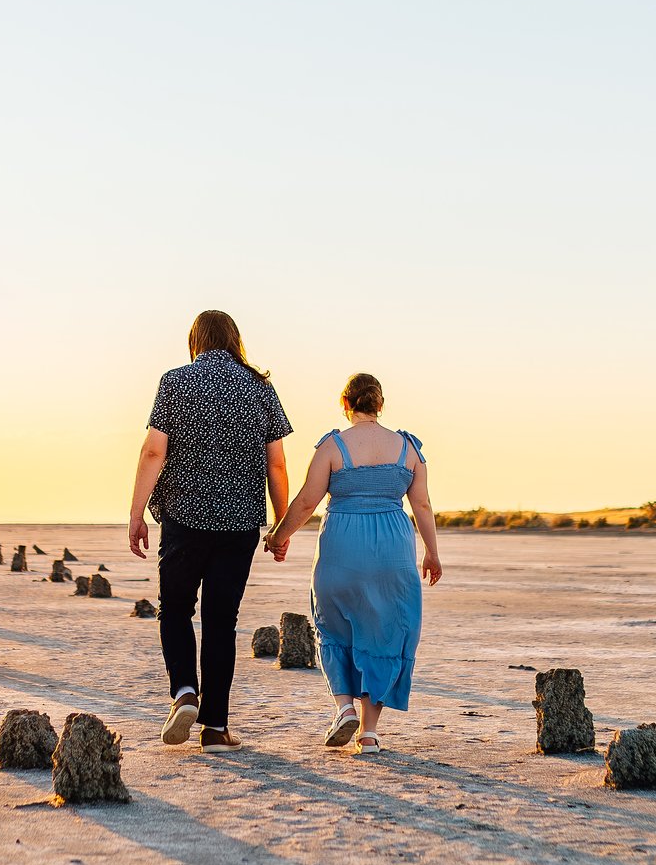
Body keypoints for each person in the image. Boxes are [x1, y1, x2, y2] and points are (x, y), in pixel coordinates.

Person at [128, 310, 293, 749]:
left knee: (176, 609)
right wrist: (281, 525)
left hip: (183, 519)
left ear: (195, 340)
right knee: (222, 622)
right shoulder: (259, 387)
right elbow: (276, 462)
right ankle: (215, 728)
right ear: (235, 340)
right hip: (239, 522)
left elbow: (152, 453)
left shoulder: (175, 381)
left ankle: (184, 691)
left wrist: (136, 514)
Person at [263, 372, 440, 754]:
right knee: (384, 634)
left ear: (346, 404)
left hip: (342, 548)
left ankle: (344, 707)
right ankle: (370, 733)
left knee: (334, 629)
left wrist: (279, 535)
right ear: (380, 405)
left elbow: (307, 502)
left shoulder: (332, 446)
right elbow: (422, 505)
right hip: (392, 551)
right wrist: (432, 551)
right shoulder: (408, 449)